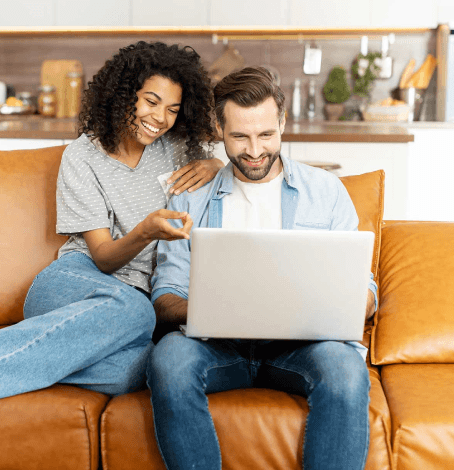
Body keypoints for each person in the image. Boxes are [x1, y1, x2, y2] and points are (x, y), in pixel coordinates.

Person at [0, 41, 225, 408]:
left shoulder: (176, 147)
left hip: (124, 313)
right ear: (124, 95)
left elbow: (229, 173)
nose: (160, 118)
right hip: (75, 283)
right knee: (138, 313)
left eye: (172, 109)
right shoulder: (82, 157)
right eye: (151, 102)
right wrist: (145, 231)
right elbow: (103, 257)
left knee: (134, 369)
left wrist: (217, 167)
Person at [147, 67, 378, 470]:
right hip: (219, 349)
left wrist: (350, 305)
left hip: (301, 351)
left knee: (344, 369)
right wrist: (218, 310)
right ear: (219, 130)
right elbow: (165, 296)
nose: (254, 150)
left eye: (266, 135)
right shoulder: (191, 198)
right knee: (169, 359)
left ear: (283, 123)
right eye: (239, 136)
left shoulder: (325, 191)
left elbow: (366, 291)